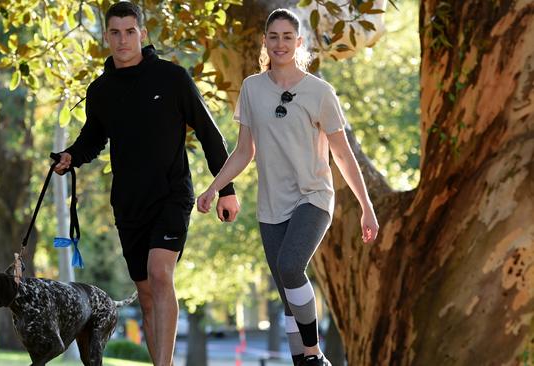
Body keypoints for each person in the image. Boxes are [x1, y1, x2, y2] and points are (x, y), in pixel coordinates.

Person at [53, 2, 240, 365]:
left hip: (171, 195)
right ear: (106, 37)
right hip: (128, 203)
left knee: (159, 274)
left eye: (130, 31)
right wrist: (70, 156)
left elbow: (209, 134)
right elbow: (93, 137)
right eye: (115, 33)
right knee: (146, 293)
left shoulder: (172, 78)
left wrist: (226, 189)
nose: (123, 40)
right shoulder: (101, 90)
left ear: (142, 33)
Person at [197, 8, 379, 366]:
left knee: (291, 265)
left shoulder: (320, 92)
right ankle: (304, 361)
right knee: (288, 295)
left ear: (298, 43)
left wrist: (367, 207)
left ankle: (314, 354)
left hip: (313, 196)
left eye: (287, 37)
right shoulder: (252, 88)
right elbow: (243, 151)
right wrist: (215, 187)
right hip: (271, 205)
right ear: (265, 41)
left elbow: (342, 155)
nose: (280, 43)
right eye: (273, 36)